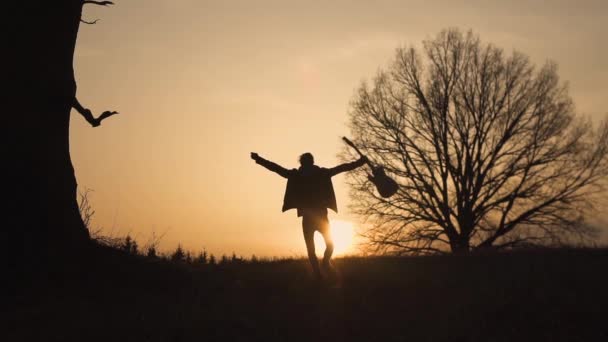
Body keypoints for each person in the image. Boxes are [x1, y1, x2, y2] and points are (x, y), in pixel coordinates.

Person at [251, 151, 366, 279]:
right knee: (329, 245)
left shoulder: (297, 175)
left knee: (313, 248)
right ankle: (324, 266)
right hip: (321, 216)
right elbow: (343, 168)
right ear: (312, 161)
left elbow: (276, 168)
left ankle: (319, 271)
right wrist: (360, 162)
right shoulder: (320, 173)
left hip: (310, 218)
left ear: (302, 163)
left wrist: (259, 159)